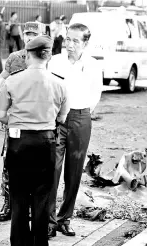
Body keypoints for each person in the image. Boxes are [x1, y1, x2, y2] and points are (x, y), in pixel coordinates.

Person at [0, 35, 69, 246]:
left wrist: (18, 121)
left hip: (19, 142)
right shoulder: (60, 83)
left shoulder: (12, 80)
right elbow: (62, 118)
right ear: (49, 57)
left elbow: (0, 115)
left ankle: (19, 243)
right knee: (42, 197)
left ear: (27, 55)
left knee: (18, 196)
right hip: (46, 142)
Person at [47, 23, 103, 238]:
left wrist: (82, 112)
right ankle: (49, 221)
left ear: (85, 43)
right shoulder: (55, 61)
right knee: (52, 169)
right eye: (67, 39)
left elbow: (95, 94)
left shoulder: (92, 65)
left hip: (80, 117)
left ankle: (65, 218)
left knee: (74, 171)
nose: (69, 44)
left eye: (75, 41)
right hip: (56, 119)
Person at [0, 21, 46, 222]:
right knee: (10, 162)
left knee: (36, 165)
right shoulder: (15, 58)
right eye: (27, 34)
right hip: (15, 119)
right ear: (23, 36)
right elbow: (3, 83)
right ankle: (8, 204)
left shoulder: (45, 59)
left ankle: (33, 207)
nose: (30, 37)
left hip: (38, 120)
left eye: (34, 34)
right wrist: (1, 112)